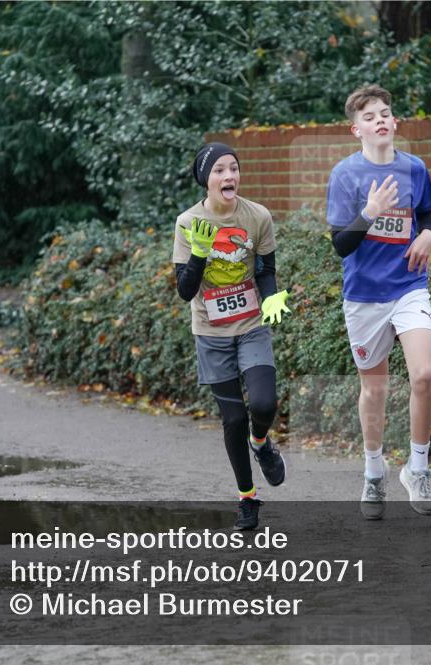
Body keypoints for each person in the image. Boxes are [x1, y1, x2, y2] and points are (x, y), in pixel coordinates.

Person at [325, 84, 431, 519]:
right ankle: (374, 472)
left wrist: (428, 234)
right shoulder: (345, 176)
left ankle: (419, 467)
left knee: (424, 375)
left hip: (408, 286)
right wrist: (369, 211)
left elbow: (426, 214)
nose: (380, 120)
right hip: (364, 295)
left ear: (394, 124)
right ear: (357, 130)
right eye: (370, 116)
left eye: (386, 114)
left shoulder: (414, 168)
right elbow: (340, 245)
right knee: (374, 388)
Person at [173, 142, 291, 530]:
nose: (229, 176)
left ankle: (262, 444)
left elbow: (265, 269)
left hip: (251, 324)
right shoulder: (188, 223)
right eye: (220, 170)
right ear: (206, 179)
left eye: (234, 169)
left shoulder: (257, 216)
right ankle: (247, 498)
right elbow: (186, 290)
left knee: (262, 403)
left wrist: (271, 297)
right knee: (233, 420)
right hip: (211, 332)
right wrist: (200, 253)